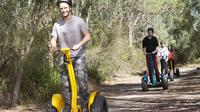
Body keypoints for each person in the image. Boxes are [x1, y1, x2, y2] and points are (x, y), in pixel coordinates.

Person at [50, 0, 90, 111]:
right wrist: (54, 47)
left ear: (70, 8)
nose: (63, 10)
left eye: (65, 8)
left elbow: (87, 36)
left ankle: (84, 108)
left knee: (82, 84)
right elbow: (53, 38)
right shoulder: (57, 24)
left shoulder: (79, 21)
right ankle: (68, 107)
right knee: (65, 85)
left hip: (78, 56)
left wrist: (79, 44)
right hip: (64, 57)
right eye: (61, 8)